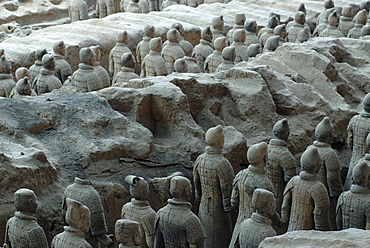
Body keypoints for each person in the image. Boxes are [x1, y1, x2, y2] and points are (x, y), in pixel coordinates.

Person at [193, 125, 235, 248]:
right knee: (220, 240)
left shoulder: (199, 159)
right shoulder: (222, 163)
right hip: (218, 211)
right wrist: (229, 207)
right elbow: (227, 189)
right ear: (219, 141)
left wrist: (199, 197)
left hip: (203, 206)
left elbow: (196, 184)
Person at [154, 176, 205, 248]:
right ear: (187, 191)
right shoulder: (191, 220)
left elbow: (157, 244)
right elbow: (199, 245)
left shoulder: (160, 213)